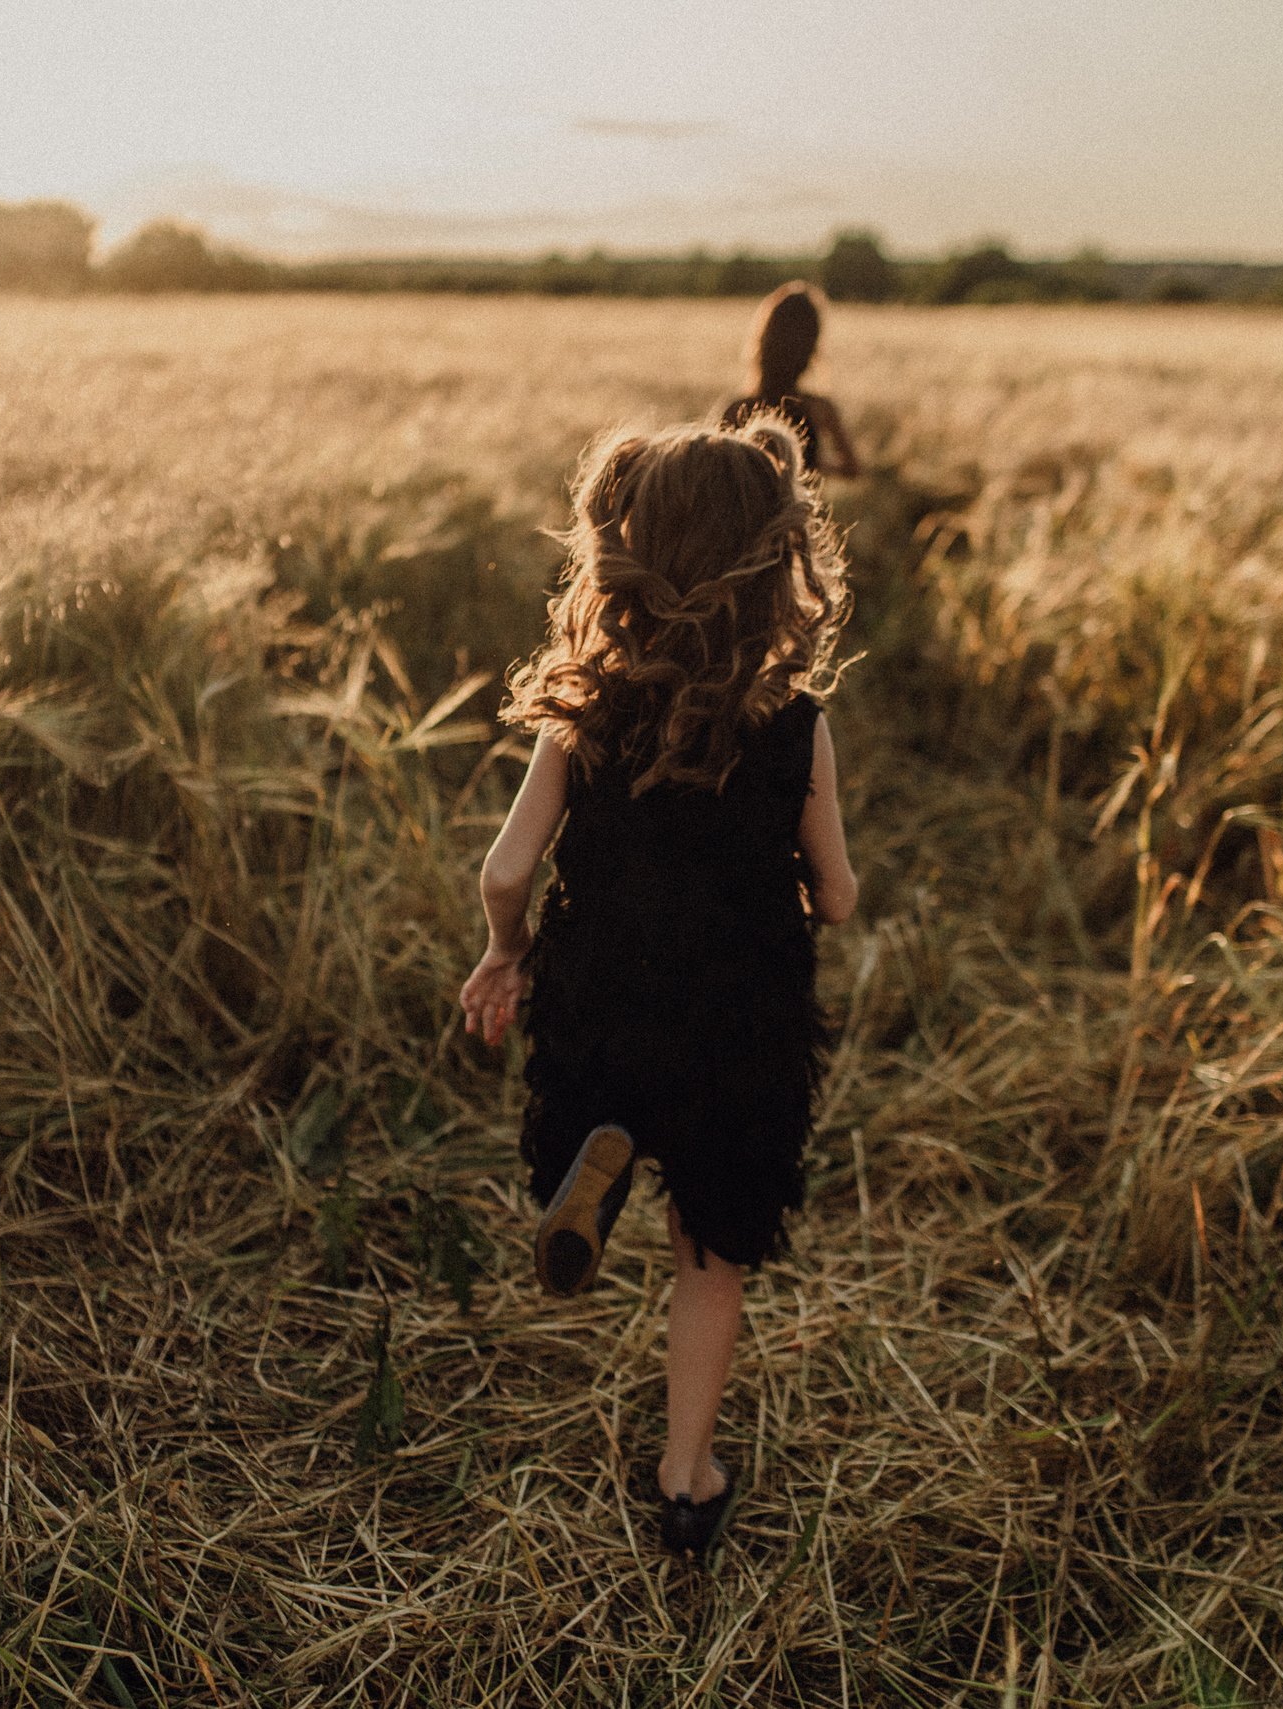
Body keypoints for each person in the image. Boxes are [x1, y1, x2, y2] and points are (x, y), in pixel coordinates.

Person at [458, 419, 858, 1562]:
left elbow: (504, 868)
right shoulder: (794, 728)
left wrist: (506, 951)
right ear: (773, 561)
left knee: (607, 1099)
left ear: (624, 546)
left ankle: (607, 1144)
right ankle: (688, 1479)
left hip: (604, 1001)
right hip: (738, 1020)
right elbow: (834, 897)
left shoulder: (588, 707)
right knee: (710, 1249)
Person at [717, 281, 863, 479]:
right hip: (802, 510)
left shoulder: (737, 410)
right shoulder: (820, 410)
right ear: (810, 349)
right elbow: (853, 470)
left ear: (764, 340)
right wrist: (808, 464)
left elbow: (715, 475)